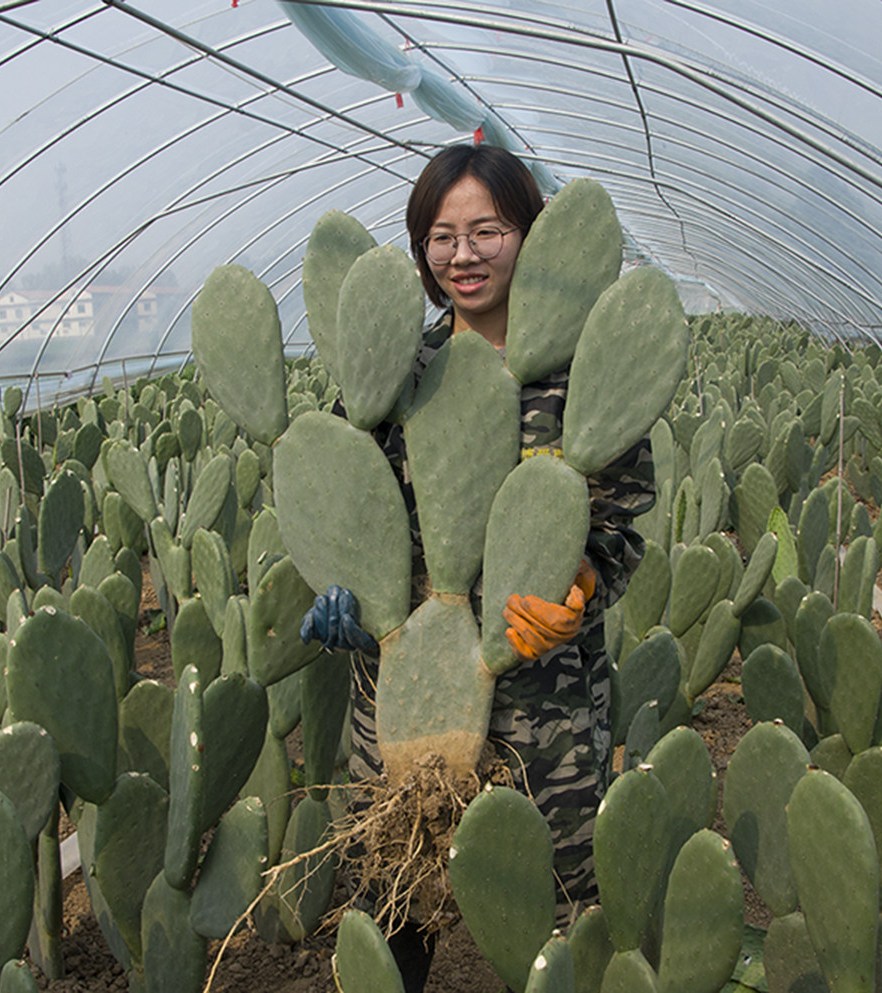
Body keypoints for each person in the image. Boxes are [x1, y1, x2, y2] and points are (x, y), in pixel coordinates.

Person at [302, 143, 655, 990]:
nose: (461, 254)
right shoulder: (391, 374)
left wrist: (579, 587)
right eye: (440, 235)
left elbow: (616, 534)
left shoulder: (587, 379)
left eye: (486, 230)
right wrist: (339, 594)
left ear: (531, 235)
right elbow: (340, 499)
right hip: (406, 699)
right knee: (391, 910)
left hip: (544, 709)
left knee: (549, 920)